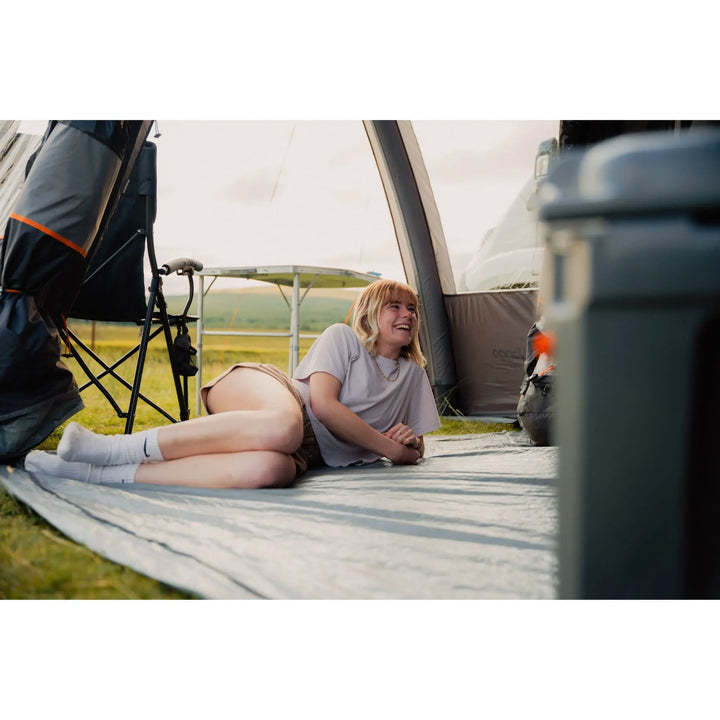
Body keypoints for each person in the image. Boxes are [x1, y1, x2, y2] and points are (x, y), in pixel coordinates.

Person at [25, 279, 441, 489]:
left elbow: (416, 441)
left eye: (412, 308)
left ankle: (94, 474)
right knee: (285, 427)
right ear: (370, 313)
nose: (406, 314)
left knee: (269, 470)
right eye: (394, 306)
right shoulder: (343, 338)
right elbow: (325, 406)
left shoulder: (412, 375)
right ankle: (111, 447)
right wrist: (390, 449)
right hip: (281, 397)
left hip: (308, 453)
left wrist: (411, 443)